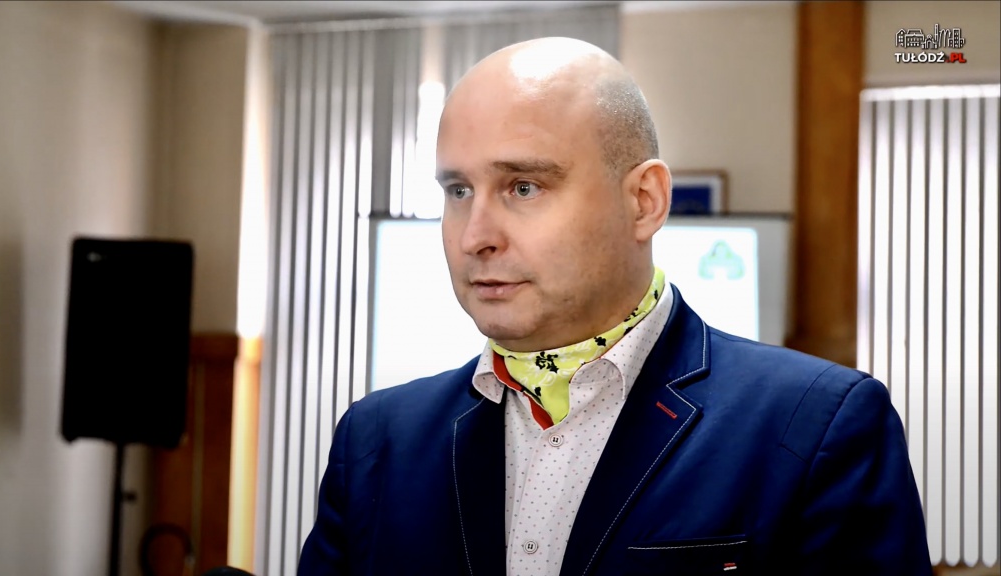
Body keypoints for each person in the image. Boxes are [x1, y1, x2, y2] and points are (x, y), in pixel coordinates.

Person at [297, 37, 931, 576]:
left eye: (523, 186)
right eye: (458, 191)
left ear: (644, 202)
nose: (474, 237)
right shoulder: (376, 443)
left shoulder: (816, 427)